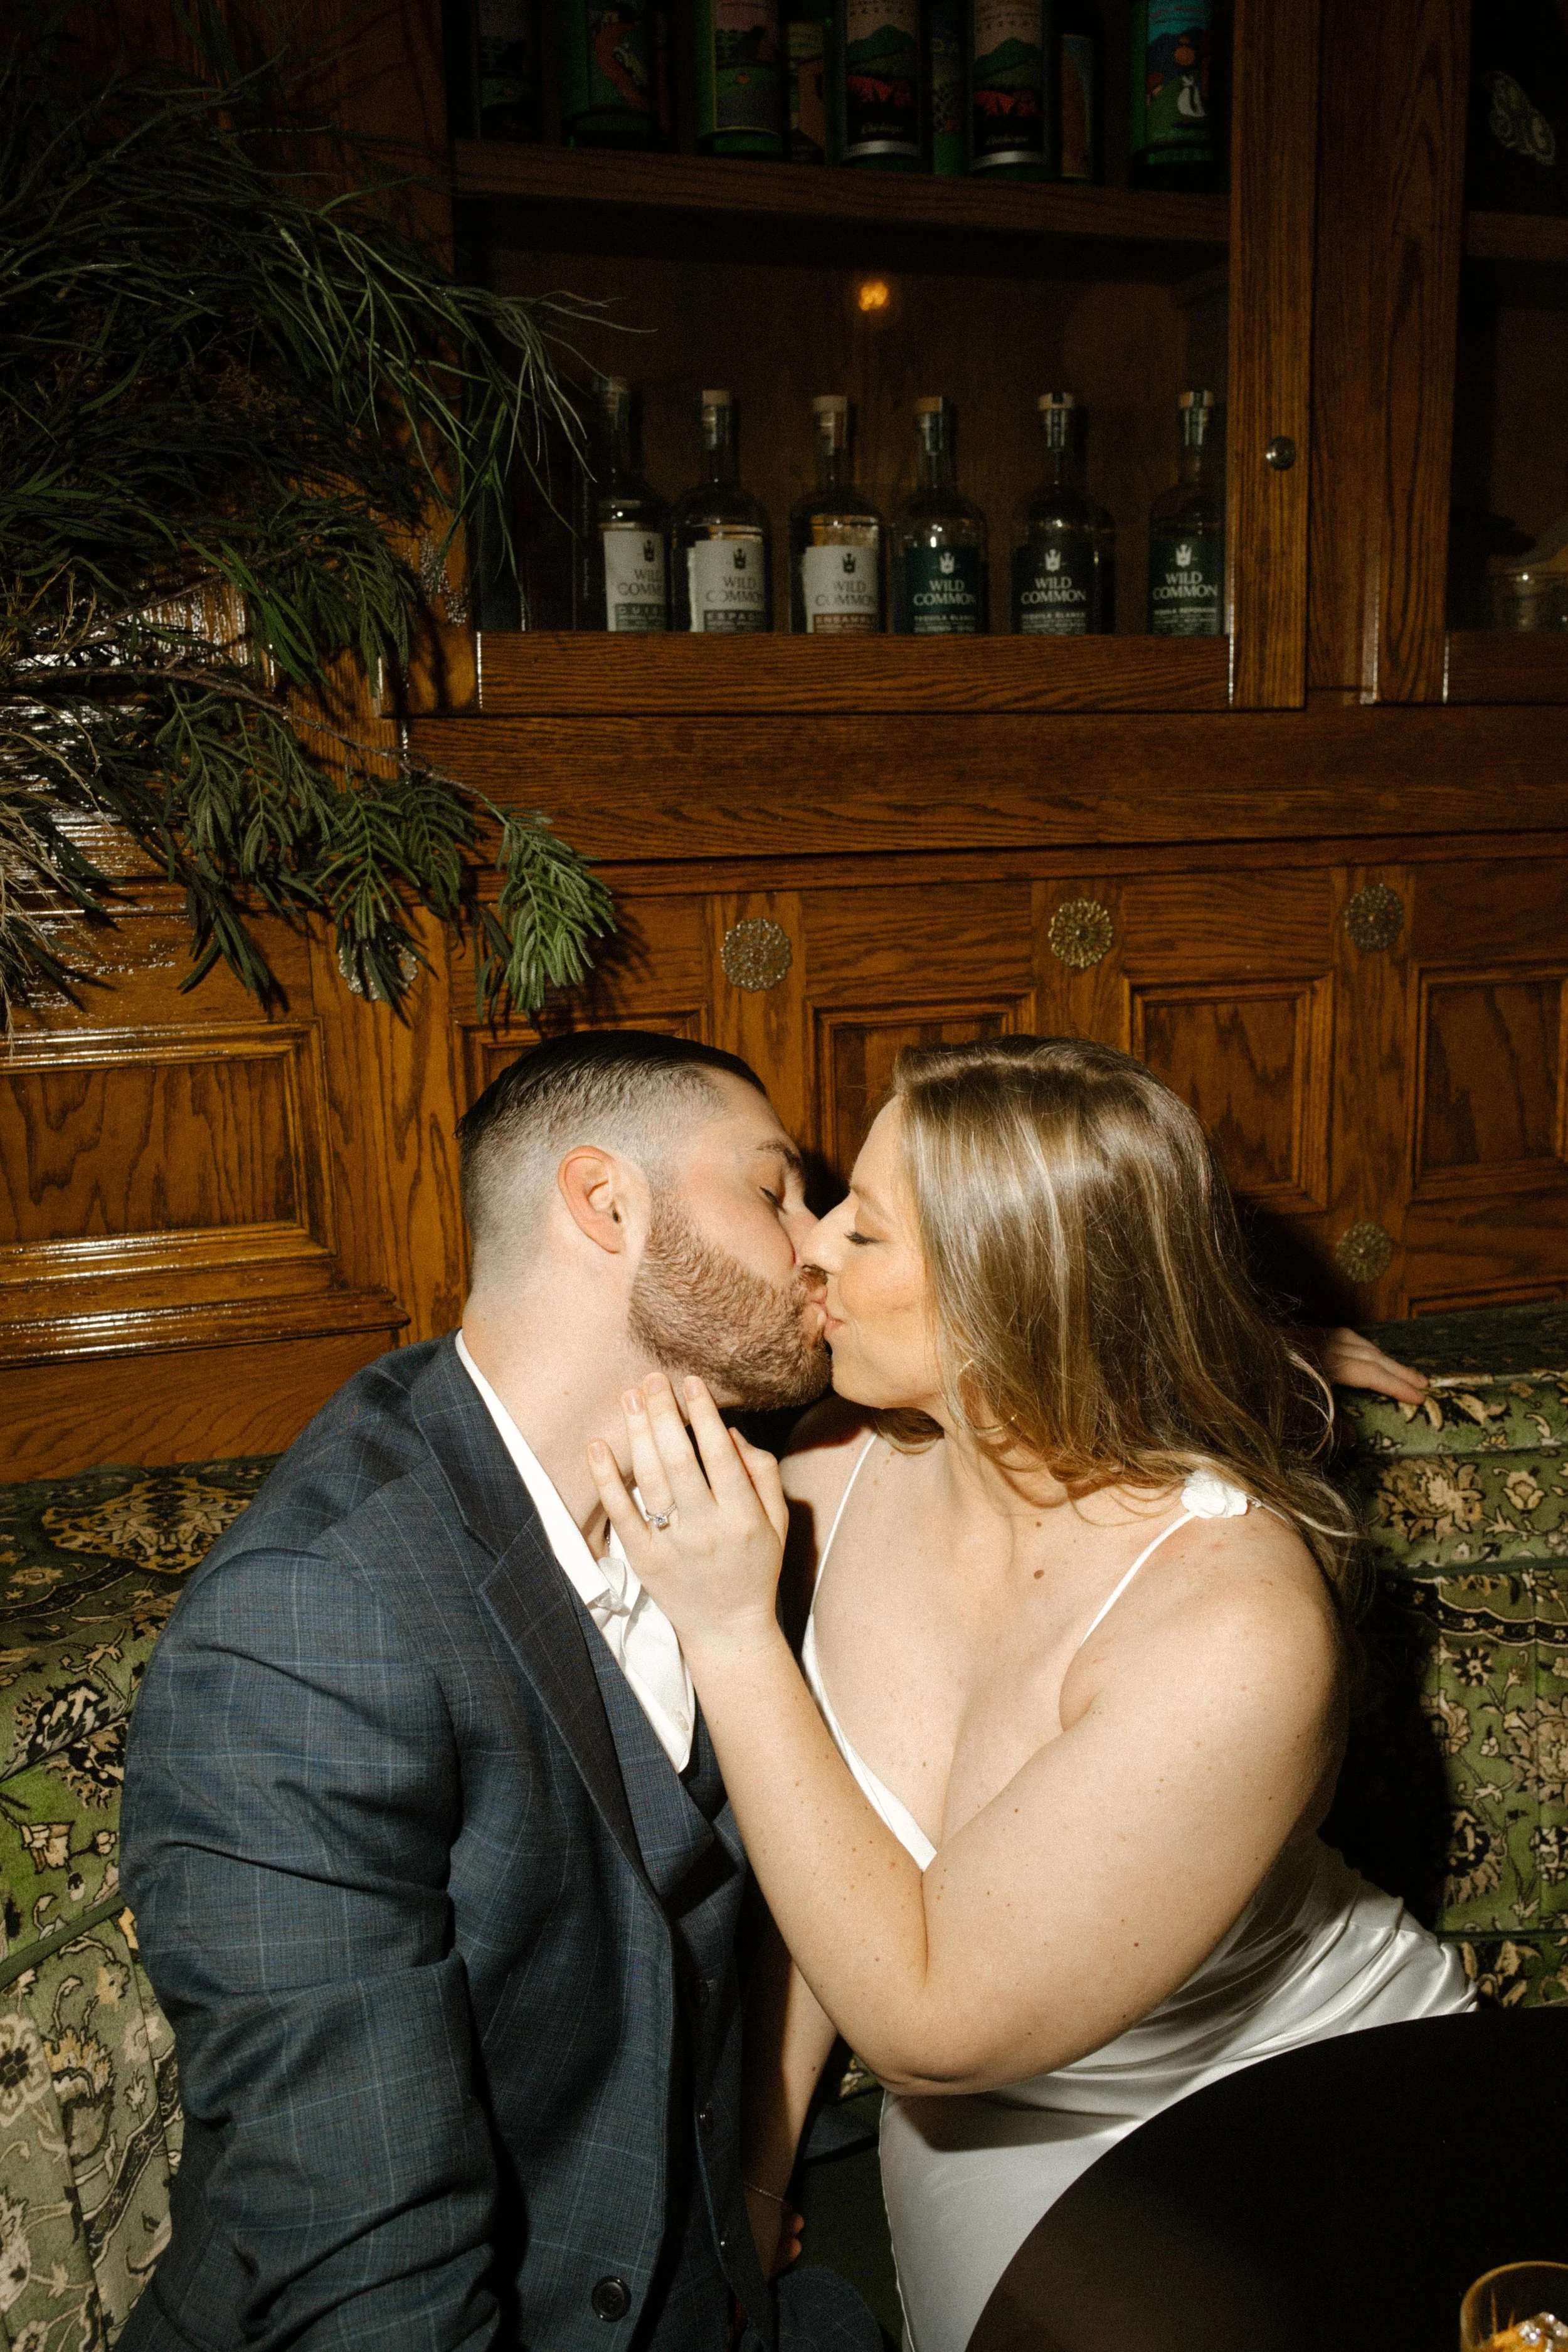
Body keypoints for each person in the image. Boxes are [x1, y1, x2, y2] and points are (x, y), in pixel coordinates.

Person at [587, 1036, 1473, 2352]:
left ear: (1007, 1294)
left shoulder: (1230, 1616)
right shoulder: (834, 1466)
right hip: (1005, 2136)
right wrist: (756, 2172)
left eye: (863, 1230)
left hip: (1329, 2077)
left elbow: (924, 2015)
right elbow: (832, 1889)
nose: (812, 1250)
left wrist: (732, 1636)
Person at [119, 1031, 882, 2352]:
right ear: (605, 1204)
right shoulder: (307, 1627)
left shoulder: (726, 1482)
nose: (814, 1245)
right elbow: (375, 2296)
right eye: (774, 1192)